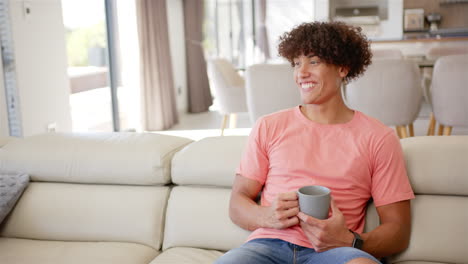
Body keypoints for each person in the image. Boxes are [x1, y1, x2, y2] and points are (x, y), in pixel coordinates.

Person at [214, 21, 414, 264]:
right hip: (267, 246)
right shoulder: (269, 126)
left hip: (335, 253)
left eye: (314, 61)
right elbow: (237, 202)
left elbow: (398, 230)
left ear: (342, 67)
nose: (301, 73)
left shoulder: (379, 137)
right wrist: (266, 216)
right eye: (296, 63)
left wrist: (350, 241)